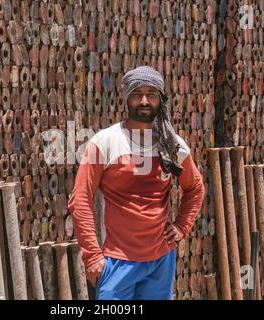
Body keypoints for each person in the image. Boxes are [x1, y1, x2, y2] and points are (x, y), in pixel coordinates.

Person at [67, 66, 205, 300]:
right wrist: (92, 256)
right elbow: (80, 199)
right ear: (126, 98)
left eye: (151, 94)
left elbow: (195, 188)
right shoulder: (105, 142)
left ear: (161, 100)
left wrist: (182, 226)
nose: (144, 100)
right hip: (118, 262)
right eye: (137, 93)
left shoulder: (173, 146)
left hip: (161, 260)